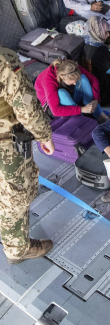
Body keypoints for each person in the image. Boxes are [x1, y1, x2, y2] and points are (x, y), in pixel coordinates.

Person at [0, 48, 55, 264]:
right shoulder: (3, 59)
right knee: (15, 196)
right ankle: (17, 249)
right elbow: (25, 104)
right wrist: (44, 135)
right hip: (5, 144)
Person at [34, 59, 107, 121]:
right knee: (61, 93)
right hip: (51, 108)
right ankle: (82, 120)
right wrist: (81, 109)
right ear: (62, 77)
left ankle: (97, 113)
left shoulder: (71, 67)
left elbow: (93, 79)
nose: (75, 84)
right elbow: (55, 111)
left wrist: (96, 99)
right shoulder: (48, 80)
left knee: (83, 78)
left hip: (69, 95)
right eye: (73, 81)